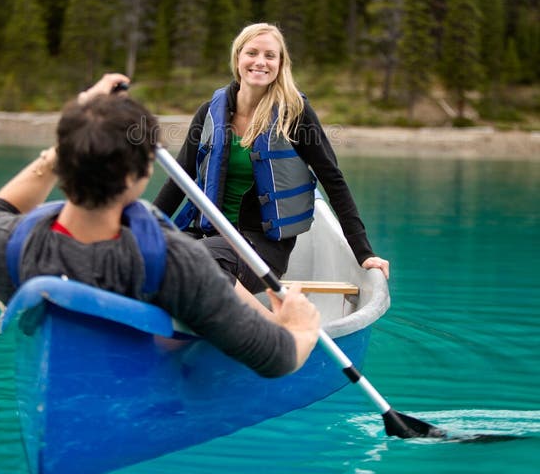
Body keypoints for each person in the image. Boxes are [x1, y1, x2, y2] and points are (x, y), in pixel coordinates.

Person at [0, 73, 321, 379]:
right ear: (140, 176)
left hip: (66, 383)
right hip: (130, 377)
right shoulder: (178, 266)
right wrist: (299, 325)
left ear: (63, 161)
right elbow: (278, 358)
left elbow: (1, 208)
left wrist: (76, 129)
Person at [154, 23, 389, 293]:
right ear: (238, 57)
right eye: (252, 53)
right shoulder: (209, 112)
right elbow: (178, 181)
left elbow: (333, 181)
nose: (260, 62)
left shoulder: (295, 114)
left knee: (191, 259)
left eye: (269, 55)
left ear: (280, 63)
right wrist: (143, 227)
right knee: (148, 256)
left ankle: (261, 325)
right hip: (207, 236)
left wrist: (363, 252)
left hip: (259, 250)